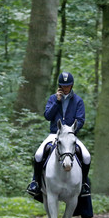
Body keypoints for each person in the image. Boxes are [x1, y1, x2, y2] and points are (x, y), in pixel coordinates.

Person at [27, 71, 91, 199]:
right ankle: (35, 182)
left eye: (67, 86)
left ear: (71, 85)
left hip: (71, 135)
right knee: (39, 154)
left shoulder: (78, 101)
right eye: (63, 86)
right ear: (59, 86)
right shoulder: (52, 98)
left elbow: (81, 119)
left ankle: (84, 184)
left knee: (86, 156)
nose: (65, 88)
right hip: (54, 134)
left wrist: (70, 131)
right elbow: (47, 116)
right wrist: (57, 102)